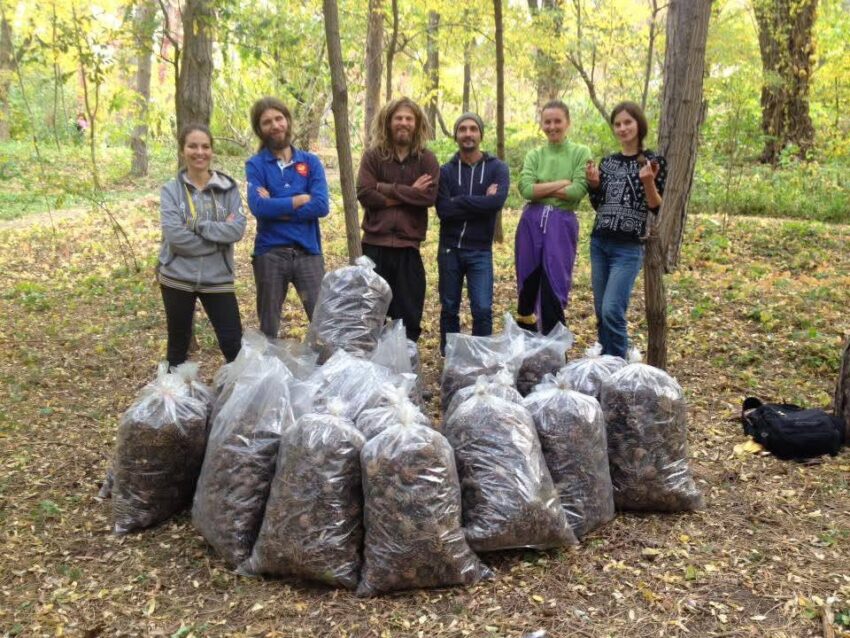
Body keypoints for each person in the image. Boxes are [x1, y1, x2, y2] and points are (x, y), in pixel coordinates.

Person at [157, 123, 246, 368]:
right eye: (193, 146)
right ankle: (175, 392)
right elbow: (175, 237)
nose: (200, 152)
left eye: (205, 147)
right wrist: (217, 243)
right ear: (182, 150)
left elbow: (236, 229)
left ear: (212, 151)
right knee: (177, 346)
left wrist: (198, 225)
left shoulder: (228, 189)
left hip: (218, 278)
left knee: (233, 344)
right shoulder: (171, 190)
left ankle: (240, 390)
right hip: (177, 277)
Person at [586, 101, 666, 358]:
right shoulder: (608, 162)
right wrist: (594, 185)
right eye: (618, 124)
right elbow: (599, 204)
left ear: (639, 124)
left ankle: (620, 367)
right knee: (601, 312)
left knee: (612, 310)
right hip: (600, 242)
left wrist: (648, 182)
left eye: (627, 122)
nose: (622, 128)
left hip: (628, 247)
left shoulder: (653, 161)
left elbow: (656, 206)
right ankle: (605, 365)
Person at [356, 97, 440, 342]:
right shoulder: (373, 156)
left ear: (417, 124)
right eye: (398, 118)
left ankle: (407, 362)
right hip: (374, 246)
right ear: (388, 122)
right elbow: (365, 193)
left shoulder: (426, 159)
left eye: (409, 118)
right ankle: (370, 362)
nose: (403, 123)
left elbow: (428, 197)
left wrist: (384, 188)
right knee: (371, 315)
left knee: (409, 316)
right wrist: (410, 192)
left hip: (408, 248)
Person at [245, 97, 330, 339]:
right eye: (267, 122)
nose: (275, 125)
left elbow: (321, 205)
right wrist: (298, 199)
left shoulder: (310, 162)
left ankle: (328, 363)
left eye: (279, 118)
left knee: (323, 324)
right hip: (270, 253)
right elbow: (258, 206)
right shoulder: (256, 164)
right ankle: (268, 364)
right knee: (268, 328)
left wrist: (276, 205)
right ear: (259, 129)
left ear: (288, 121)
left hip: (308, 251)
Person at [435, 112, 510, 354]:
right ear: (456, 135)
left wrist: (459, 201)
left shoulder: (497, 168)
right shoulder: (446, 171)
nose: (468, 133)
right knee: (449, 308)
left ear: (480, 134)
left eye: (473, 129)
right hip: (450, 249)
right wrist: (480, 201)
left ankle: (481, 359)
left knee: (482, 309)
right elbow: (444, 211)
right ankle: (452, 359)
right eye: (463, 129)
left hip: (480, 250)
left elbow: (495, 203)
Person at [516, 100, 591, 334]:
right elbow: (526, 189)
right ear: (541, 124)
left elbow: (577, 191)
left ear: (568, 123)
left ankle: (554, 347)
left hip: (562, 223)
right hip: (531, 223)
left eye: (557, 121)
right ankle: (527, 343)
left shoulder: (580, 153)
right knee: (527, 283)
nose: (552, 127)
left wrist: (542, 188)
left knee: (554, 284)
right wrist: (562, 183)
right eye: (547, 122)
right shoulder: (535, 155)